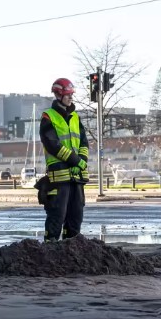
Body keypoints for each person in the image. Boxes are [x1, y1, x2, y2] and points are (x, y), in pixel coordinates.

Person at [38, 78, 90, 241]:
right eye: (67, 95)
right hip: (59, 177)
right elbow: (52, 144)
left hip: (76, 176)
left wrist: (82, 160)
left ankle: (71, 251)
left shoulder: (75, 117)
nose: (70, 98)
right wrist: (75, 160)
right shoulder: (48, 117)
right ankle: (50, 250)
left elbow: (83, 142)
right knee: (57, 215)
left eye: (71, 95)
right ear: (58, 95)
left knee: (76, 216)